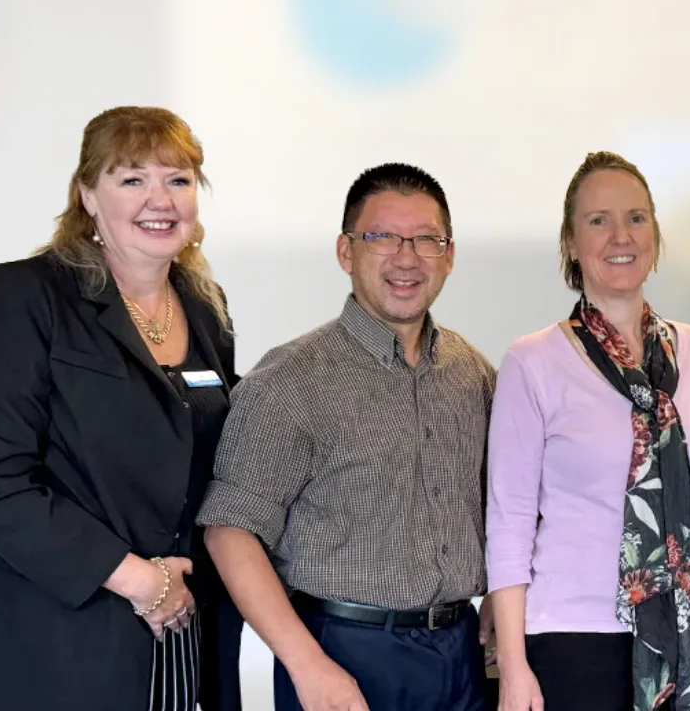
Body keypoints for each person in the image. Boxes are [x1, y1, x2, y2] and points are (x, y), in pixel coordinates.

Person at [0, 106, 243, 711]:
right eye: (132, 179)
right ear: (87, 194)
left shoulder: (204, 306)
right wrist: (139, 580)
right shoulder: (19, 298)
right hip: (49, 643)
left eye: (178, 179)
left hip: (178, 638)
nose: (159, 199)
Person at [198, 163, 496, 711]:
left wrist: (500, 597)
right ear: (345, 251)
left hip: (463, 652)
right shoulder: (292, 379)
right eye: (381, 237)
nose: (406, 258)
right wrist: (308, 665)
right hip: (344, 653)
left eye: (427, 239)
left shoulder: (471, 371)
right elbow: (228, 531)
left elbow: (504, 505)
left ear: (449, 255)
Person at [486, 151, 690, 711]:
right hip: (576, 635)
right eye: (598, 220)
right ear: (571, 243)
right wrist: (514, 665)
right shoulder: (534, 362)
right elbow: (509, 521)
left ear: (655, 233)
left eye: (636, 217)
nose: (620, 235)